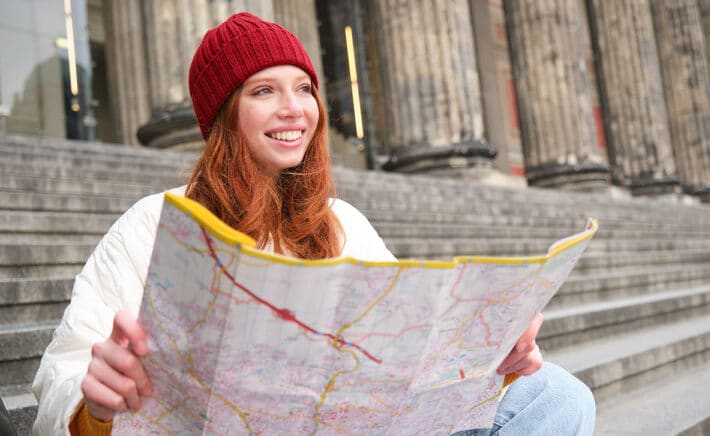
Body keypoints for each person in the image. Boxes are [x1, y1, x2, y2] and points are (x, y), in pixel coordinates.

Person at [32, 12, 595, 435]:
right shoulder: (154, 223)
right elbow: (63, 374)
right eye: (263, 91)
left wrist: (490, 357)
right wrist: (96, 405)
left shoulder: (341, 221)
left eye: (303, 88)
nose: (294, 108)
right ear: (224, 116)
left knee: (556, 396)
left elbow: (415, 352)